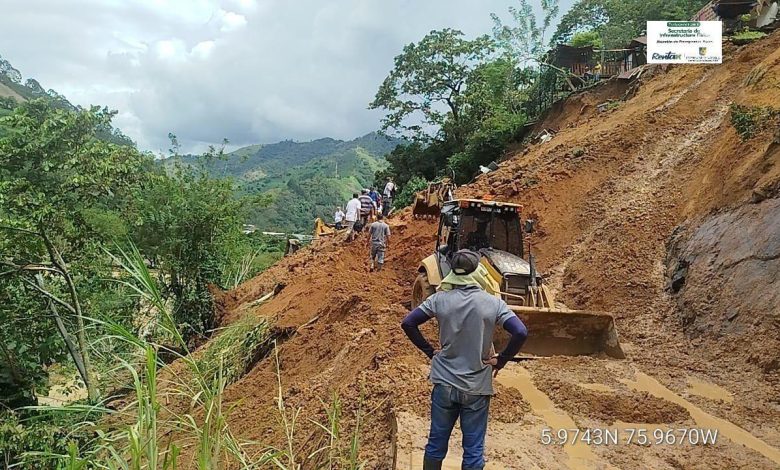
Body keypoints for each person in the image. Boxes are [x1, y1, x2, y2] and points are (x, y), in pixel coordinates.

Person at [401, 250, 528, 470]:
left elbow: (408, 323)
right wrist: (502, 360)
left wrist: (431, 352)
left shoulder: (438, 299)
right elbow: (520, 332)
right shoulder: (493, 303)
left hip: (444, 385)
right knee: (473, 450)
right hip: (476, 387)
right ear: (477, 271)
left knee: (435, 444)